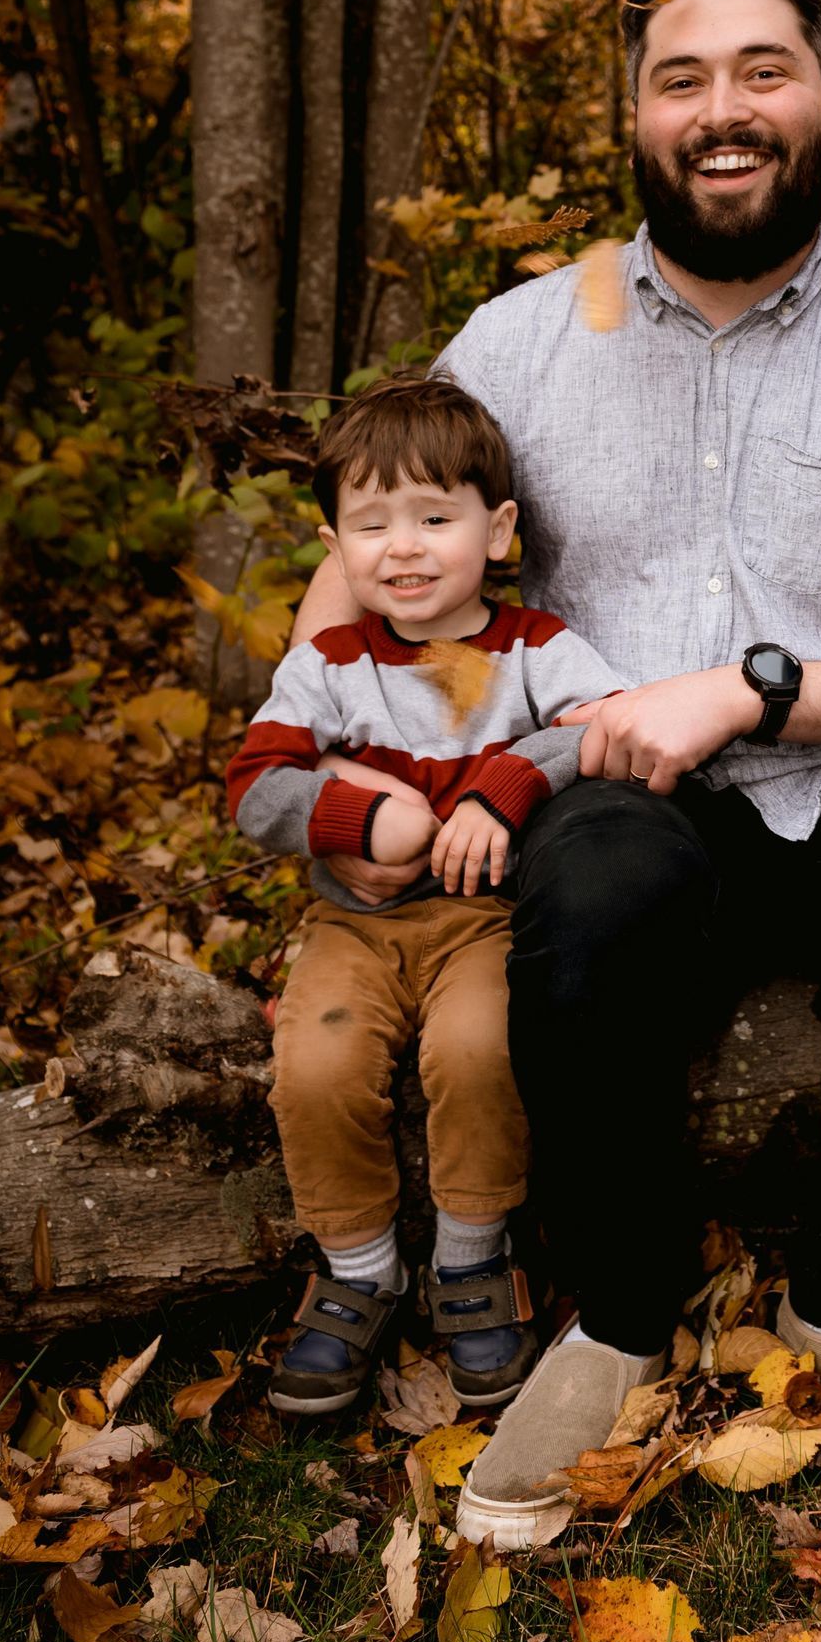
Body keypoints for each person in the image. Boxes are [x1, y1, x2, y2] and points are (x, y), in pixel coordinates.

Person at [288, 0, 821, 1551]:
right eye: (682, 78)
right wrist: (337, 773)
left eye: (764, 71)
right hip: (627, 810)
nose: (723, 108)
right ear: (639, 120)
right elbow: (352, 582)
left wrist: (754, 689)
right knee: (586, 869)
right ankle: (627, 1312)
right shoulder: (519, 339)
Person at [228, 377, 622, 1418]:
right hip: (353, 925)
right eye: (371, 524)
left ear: (496, 532)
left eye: (433, 517)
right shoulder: (329, 664)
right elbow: (254, 785)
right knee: (317, 1059)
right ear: (335, 543)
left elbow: (605, 730)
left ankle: (471, 1260)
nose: (401, 548)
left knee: (480, 1049)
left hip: (487, 919)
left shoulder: (534, 646)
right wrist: (355, 819)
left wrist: (506, 782)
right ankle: (358, 1267)